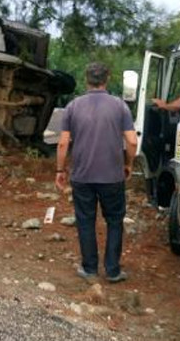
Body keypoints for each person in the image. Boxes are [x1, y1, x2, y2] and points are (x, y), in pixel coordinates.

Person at [55, 62, 138, 283]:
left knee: (85, 220)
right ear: (107, 79)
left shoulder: (73, 106)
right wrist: (128, 163)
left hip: (82, 176)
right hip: (112, 176)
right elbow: (132, 141)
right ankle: (113, 270)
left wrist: (60, 170)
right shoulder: (120, 106)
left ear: (86, 79)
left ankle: (89, 268)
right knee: (115, 221)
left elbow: (63, 143)